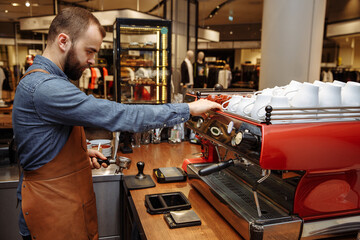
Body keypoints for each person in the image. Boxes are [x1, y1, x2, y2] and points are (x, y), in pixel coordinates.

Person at [12, 7, 221, 240]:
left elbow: (44, 144)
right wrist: (188, 109)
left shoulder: (48, 81)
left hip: (62, 208)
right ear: (63, 41)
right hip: (51, 215)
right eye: (89, 51)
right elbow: (118, 115)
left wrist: (79, 154)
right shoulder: (45, 88)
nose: (92, 61)